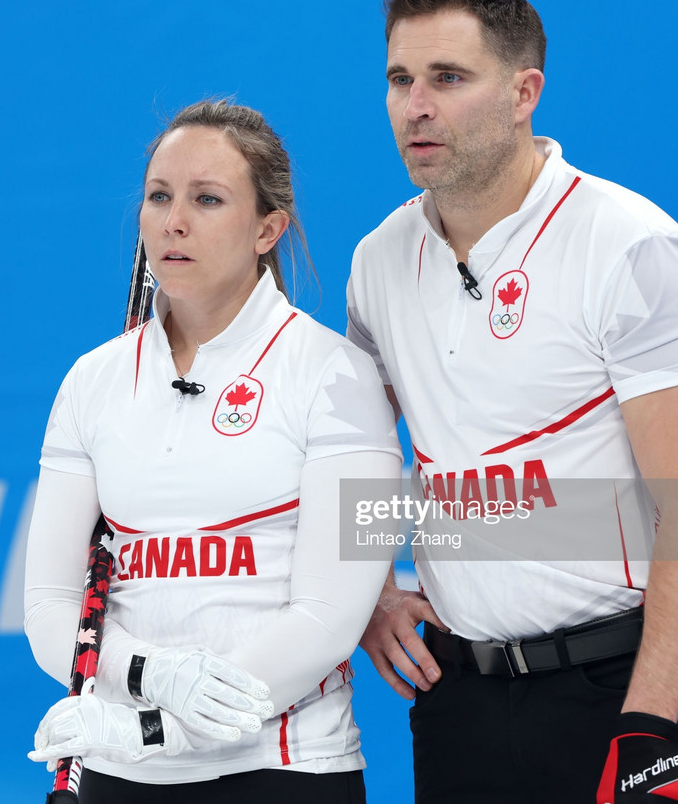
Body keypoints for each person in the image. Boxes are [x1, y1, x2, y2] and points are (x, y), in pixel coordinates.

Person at [346, 0, 678, 804]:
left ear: (525, 92)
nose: (416, 105)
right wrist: (372, 587)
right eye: (399, 80)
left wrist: (650, 730)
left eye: (447, 78)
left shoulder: (631, 246)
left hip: (622, 692)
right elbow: (360, 451)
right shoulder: (377, 261)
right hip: (460, 699)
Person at [24, 99, 402, 803]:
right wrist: (151, 679)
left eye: (207, 199)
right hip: (118, 766)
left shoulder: (338, 375)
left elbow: (327, 623)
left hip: (286, 770)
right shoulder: (91, 381)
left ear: (268, 227)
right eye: (159, 196)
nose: (174, 221)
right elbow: (49, 606)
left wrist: (153, 728)